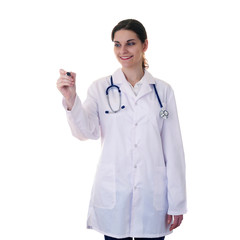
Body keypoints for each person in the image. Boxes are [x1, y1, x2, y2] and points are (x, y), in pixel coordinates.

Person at [57, 19, 187, 240]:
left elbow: (173, 150)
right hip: (114, 195)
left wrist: (177, 202)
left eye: (130, 43)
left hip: (152, 198)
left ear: (144, 45)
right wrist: (71, 99)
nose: (123, 50)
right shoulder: (100, 88)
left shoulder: (163, 92)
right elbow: (86, 132)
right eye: (117, 44)